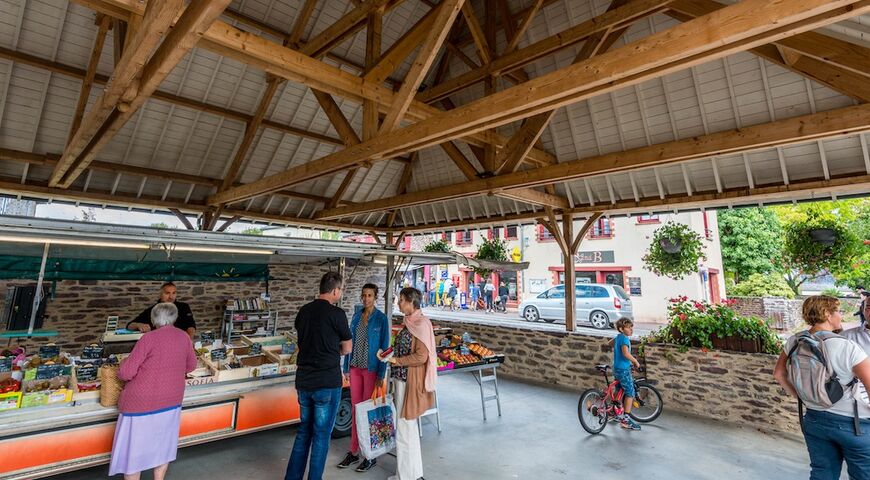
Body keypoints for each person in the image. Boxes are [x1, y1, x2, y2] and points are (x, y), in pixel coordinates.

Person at [774, 296, 870, 479]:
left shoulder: (795, 340)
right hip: (854, 424)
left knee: (822, 473)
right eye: (838, 311)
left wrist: (803, 397)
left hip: (814, 419)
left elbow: (778, 374)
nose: (841, 316)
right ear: (827, 314)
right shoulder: (848, 346)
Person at [109, 303, 197, 480]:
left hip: (140, 404)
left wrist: (124, 362)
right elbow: (191, 366)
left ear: (153, 318)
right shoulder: (184, 337)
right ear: (174, 317)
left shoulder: (148, 338)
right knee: (163, 446)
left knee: (134, 452)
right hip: (171, 401)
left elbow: (125, 373)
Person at [285, 272, 352, 480]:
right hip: (326, 381)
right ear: (335, 290)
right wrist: (334, 350)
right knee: (321, 435)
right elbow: (347, 347)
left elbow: (302, 341)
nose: (340, 293)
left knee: (304, 432)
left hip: (304, 381)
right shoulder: (337, 314)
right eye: (340, 290)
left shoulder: (303, 311)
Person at [378, 288, 436, 480]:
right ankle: (411, 474)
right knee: (407, 429)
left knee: (404, 429)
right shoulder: (409, 323)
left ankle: (404, 476)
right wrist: (388, 354)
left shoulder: (421, 324)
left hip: (410, 382)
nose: (399, 303)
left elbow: (421, 356)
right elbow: (402, 348)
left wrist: (396, 361)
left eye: (402, 300)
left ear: (412, 302)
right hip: (402, 380)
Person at [337, 284, 390, 472]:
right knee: (354, 410)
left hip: (371, 370)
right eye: (364, 295)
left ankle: (370, 455)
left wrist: (381, 374)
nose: (366, 298)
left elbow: (385, 349)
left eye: (370, 295)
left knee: (368, 412)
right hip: (355, 368)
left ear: (375, 297)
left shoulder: (381, 319)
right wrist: (345, 367)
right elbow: (348, 342)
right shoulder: (357, 316)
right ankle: (353, 451)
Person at [127, 282, 196, 339]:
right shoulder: (152, 310)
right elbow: (129, 325)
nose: (171, 297)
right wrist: (138, 325)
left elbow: (191, 325)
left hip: (181, 342)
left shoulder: (183, 307)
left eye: (174, 293)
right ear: (160, 294)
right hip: (159, 344)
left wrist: (188, 341)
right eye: (167, 293)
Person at [613, 318, 642, 431]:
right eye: (629, 328)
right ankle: (626, 420)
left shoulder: (618, 337)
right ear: (621, 329)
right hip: (624, 369)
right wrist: (635, 361)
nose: (631, 330)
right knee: (630, 393)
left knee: (619, 389)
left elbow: (609, 343)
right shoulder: (624, 339)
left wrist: (616, 341)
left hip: (616, 368)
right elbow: (625, 354)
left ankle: (614, 411)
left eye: (631, 327)